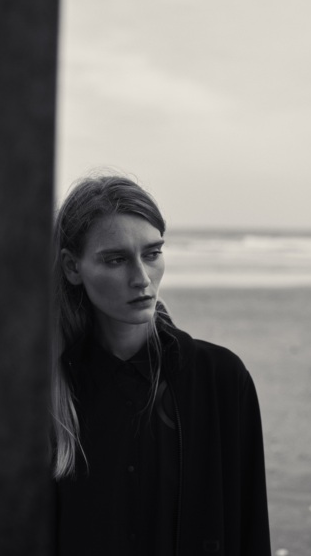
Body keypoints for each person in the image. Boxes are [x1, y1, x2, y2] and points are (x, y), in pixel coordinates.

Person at [52, 173, 271, 556]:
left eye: (152, 254)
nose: (141, 279)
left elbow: (250, 528)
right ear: (73, 267)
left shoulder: (221, 378)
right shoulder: (49, 391)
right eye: (116, 259)